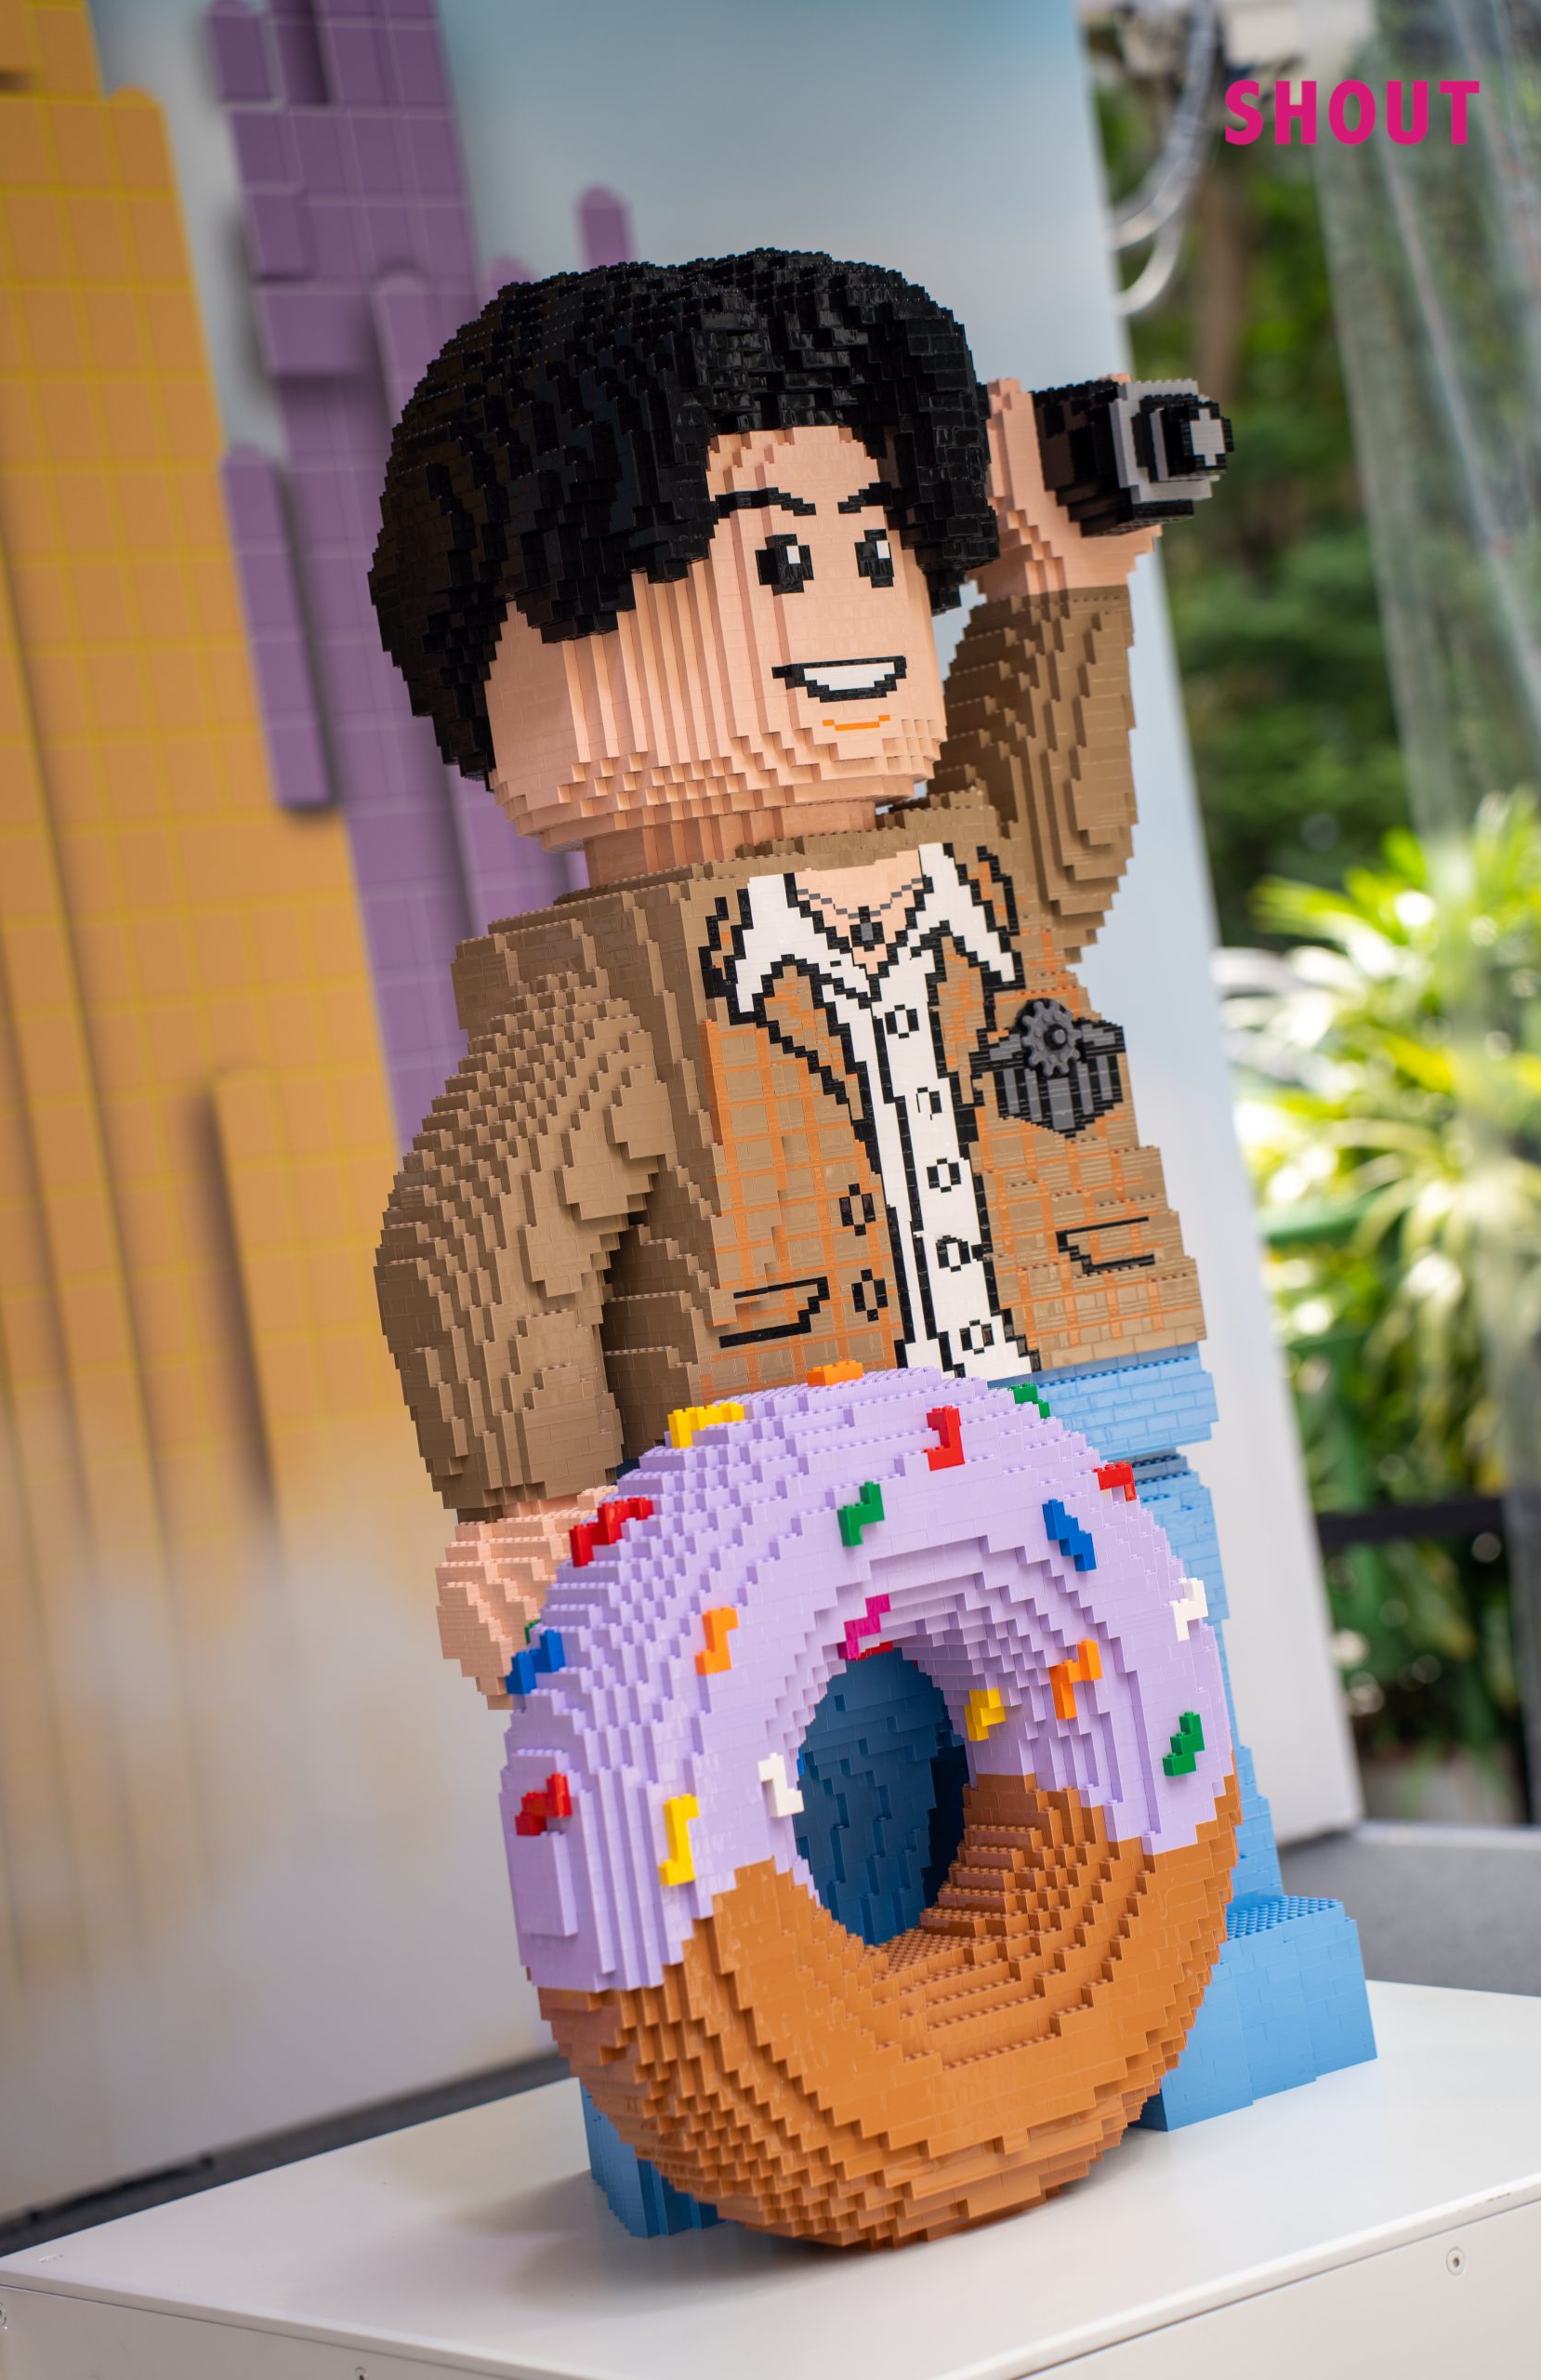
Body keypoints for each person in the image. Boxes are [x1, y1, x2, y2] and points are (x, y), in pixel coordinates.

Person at [369, 251, 1371, 2193]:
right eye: (773, 559)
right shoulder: (605, 998)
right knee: (821, 1780)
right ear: (516, 645)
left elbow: (1057, 837)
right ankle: (826, 2082)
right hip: (775, 1486)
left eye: (874, 549)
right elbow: (481, 1245)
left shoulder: (974, 884)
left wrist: (1062, 591)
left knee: (1166, 1721)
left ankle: (1205, 1980)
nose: (842, 613)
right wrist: (528, 1497)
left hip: (1089, 1417)